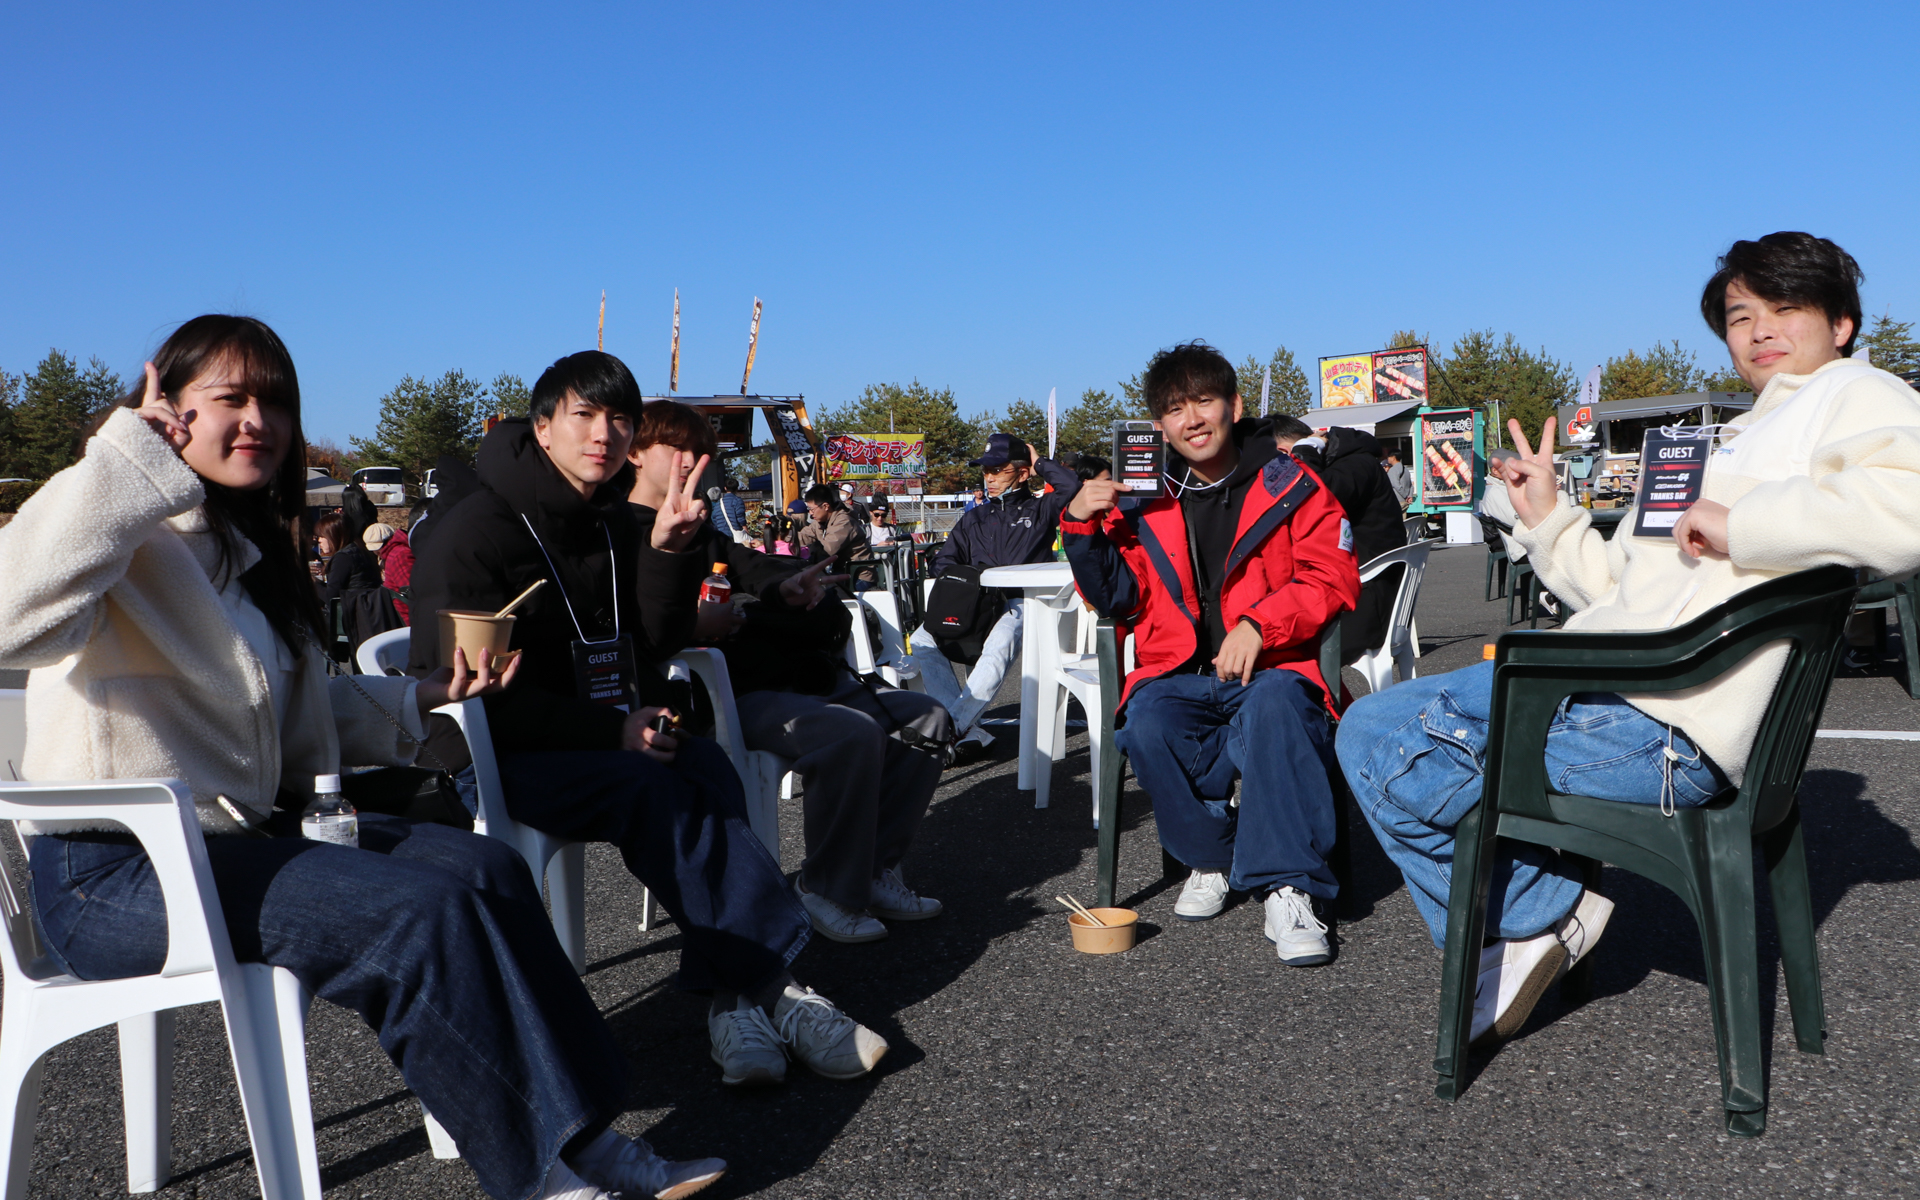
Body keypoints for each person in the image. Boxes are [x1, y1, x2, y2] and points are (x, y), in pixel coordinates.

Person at [0, 315, 726, 1200]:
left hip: (235, 845)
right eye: (228, 399)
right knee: (414, 912)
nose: (257, 421)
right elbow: (10, 617)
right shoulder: (116, 533)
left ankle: (589, 1141)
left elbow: (290, 721)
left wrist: (418, 697)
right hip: (114, 875)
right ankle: (542, 1176)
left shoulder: (244, 553)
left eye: (274, 402)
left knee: (487, 869)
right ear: (167, 411)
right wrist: (118, 464)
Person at [1336, 232, 1920, 1046]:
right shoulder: (1726, 439)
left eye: (1788, 309)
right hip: (1618, 684)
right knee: (1373, 729)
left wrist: (1743, 523)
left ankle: (1538, 917)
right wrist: (1547, 514)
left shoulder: (1854, 392)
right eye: (1741, 315)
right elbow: (1613, 591)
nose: (1760, 331)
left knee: (1387, 745)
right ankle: (1542, 913)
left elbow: (1910, 509)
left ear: (1844, 324)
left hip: (1665, 723)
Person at [409, 351, 888, 1091]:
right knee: (654, 785)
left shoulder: (604, 521)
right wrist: (612, 732)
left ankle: (733, 1004)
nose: (604, 434)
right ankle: (775, 992)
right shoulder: (474, 531)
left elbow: (652, 641)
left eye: (621, 419)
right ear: (542, 428)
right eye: (585, 415)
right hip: (496, 752)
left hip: (595, 731)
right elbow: (467, 693)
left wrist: (666, 552)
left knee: (702, 764)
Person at [1061, 342, 1359, 967]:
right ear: (1159, 424)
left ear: (1234, 406)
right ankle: (1215, 856)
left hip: (1278, 666)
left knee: (1277, 704)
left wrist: (1261, 622)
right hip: (1179, 670)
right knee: (1146, 721)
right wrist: (1081, 525)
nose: (1191, 419)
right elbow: (1116, 594)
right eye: (1174, 409)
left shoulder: (1289, 481)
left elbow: (1332, 575)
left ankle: (1290, 884)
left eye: (1203, 401)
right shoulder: (1144, 495)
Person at [626, 402, 952, 944]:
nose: (690, 462)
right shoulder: (617, 531)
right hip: (720, 696)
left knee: (929, 718)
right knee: (851, 734)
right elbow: (630, 627)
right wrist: (696, 625)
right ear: (635, 453)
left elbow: (749, 565)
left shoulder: (702, 522)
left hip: (787, 676)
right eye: (675, 448)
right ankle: (825, 887)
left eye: (699, 452)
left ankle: (871, 872)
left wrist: (789, 585)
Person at [907, 433, 1081, 759]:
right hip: (976, 605)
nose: (989, 477)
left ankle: (950, 728)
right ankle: (966, 732)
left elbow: (1073, 489)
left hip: (1023, 605)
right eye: (986, 471)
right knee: (922, 639)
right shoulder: (973, 517)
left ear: (1023, 473)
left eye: (998, 469)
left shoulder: (1042, 508)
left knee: (1000, 641)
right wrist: (966, 582)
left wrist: (1040, 461)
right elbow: (943, 561)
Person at [1276, 415, 1409, 663]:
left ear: (1287, 451)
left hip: (1363, 611)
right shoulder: (1352, 463)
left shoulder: (1357, 465)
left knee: (1273, 647)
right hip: (1364, 597)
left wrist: (1304, 452)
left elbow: (1316, 495)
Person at [796, 482, 878, 587]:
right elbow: (803, 536)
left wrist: (805, 553)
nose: (810, 513)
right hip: (841, 571)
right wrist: (783, 539)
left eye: (812, 509)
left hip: (859, 576)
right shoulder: (821, 522)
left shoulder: (844, 521)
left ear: (825, 506)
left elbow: (827, 549)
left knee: (821, 592)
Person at [315, 508, 382, 600]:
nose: (319, 541)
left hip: (355, 610)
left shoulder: (343, 558)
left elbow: (331, 597)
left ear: (334, 535)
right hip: (368, 607)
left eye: (322, 536)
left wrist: (312, 583)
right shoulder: (360, 549)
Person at [364, 520, 415, 623]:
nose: (376, 552)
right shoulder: (396, 553)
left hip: (411, 620)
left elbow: (412, 591)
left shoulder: (399, 555)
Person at [709, 476, 750, 545]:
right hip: (734, 533)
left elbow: (714, 518)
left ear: (725, 488)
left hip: (721, 533)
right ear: (737, 488)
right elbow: (740, 517)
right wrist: (744, 528)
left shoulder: (719, 503)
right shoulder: (737, 500)